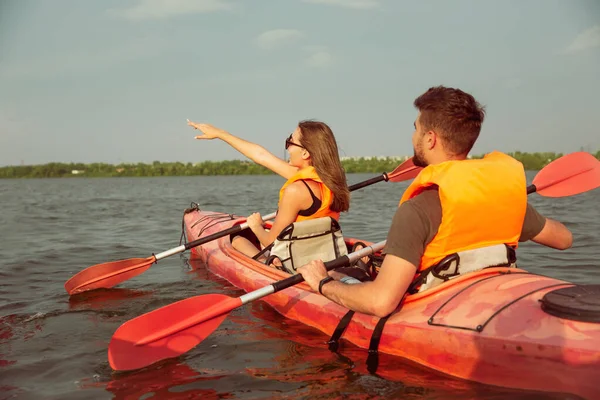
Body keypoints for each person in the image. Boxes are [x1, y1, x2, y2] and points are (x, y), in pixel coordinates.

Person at [297, 86, 573, 317]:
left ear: (430, 139)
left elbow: (380, 303)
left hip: (437, 308)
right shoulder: (503, 196)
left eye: (416, 128)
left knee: (339, 275)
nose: (413, 136)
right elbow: (563, 239)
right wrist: (513, 205)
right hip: (488, 298)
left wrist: (322, 284)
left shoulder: (417, 209)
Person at [187, 119, 350, 260]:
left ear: (306, 153)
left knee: (238, 240)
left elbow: (270, 242)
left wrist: (256, 225)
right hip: (325, 255)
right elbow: (261, 156)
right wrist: (221, 134)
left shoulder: (296, 190)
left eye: (290, 142)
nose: (287, 149)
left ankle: (267, 265)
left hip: (296, 263)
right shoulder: (333, 183)